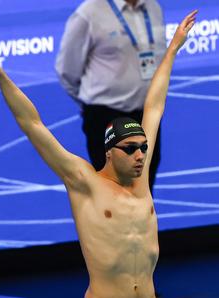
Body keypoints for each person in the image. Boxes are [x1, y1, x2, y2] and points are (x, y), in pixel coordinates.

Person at [0, 10, 197, 298]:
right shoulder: (83, 183)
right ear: (110, 152)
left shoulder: (141, 182)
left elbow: (154, 103)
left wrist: (172, 49)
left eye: (143, 148)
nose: (141, 156)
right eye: (132, 149)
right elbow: (32, 125)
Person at [55, 0, 166, 190]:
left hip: (146, 116)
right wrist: (94, 107)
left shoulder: (152, 8)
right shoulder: (89, 13)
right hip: (106, 118)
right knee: (112, 194)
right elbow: (67, 71)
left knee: (144, 191)